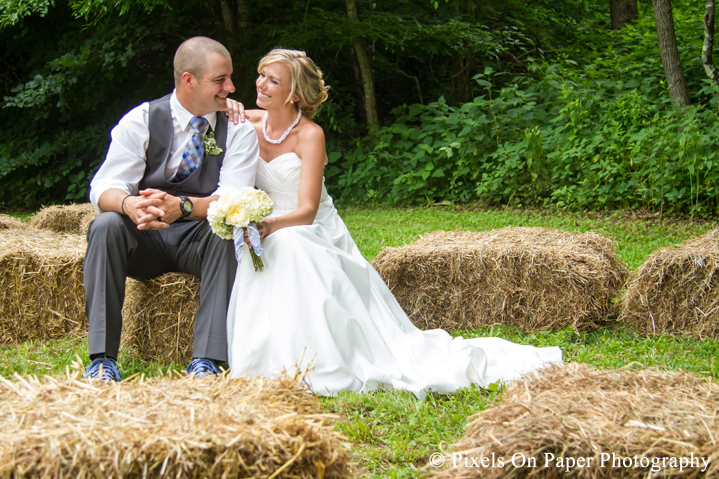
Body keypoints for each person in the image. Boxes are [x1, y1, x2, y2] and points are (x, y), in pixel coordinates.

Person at [225, 48, 562, 397]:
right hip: (272, 225)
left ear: (294, 93)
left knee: (290, 244)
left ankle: (319, 360)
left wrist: (267, 225)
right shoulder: (247, 122)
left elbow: (307, 210)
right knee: (270, 249)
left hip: (309, 227)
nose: (261, 84)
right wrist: (228, 106)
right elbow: (206, 105)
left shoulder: (310, 135)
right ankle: (265, 359)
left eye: (273, 80)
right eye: (261, 74)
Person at [84, 37, 259, 381]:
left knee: (227, 231)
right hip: (145, 239)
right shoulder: (141, 119)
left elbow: (233, 199)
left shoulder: (237, 129)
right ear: (188, 80)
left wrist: (182, 206)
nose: (232, 87)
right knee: (105, 224)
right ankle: (102, 361)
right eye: (220, 79)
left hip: (199, 238)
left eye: (230, 78)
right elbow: (103, 186)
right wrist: (128, 203)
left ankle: (207, 361)